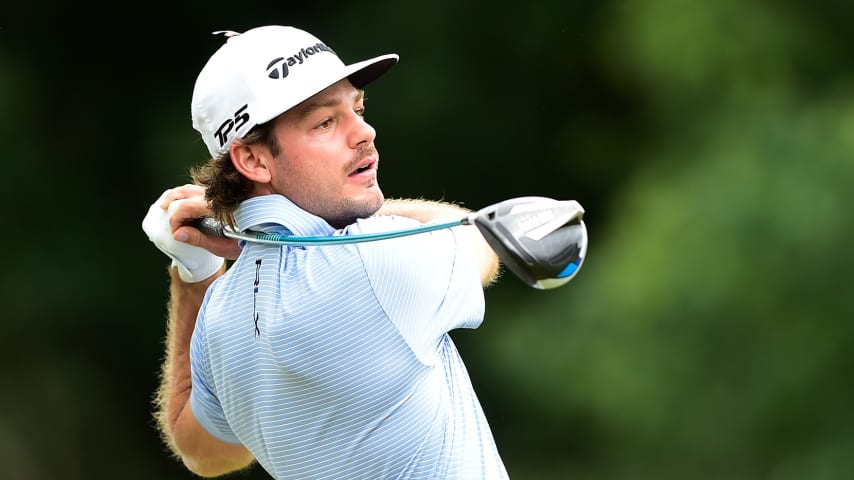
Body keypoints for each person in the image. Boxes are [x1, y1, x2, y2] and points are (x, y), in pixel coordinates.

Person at [142, 25, 507, 479]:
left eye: (357, 108)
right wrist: (252, 232)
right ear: (253, 160)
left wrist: (195, 270)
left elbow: (204, 451)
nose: (365, 132)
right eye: (325, 123)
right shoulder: (375, 261)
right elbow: (486, 235)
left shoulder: (220, 318)